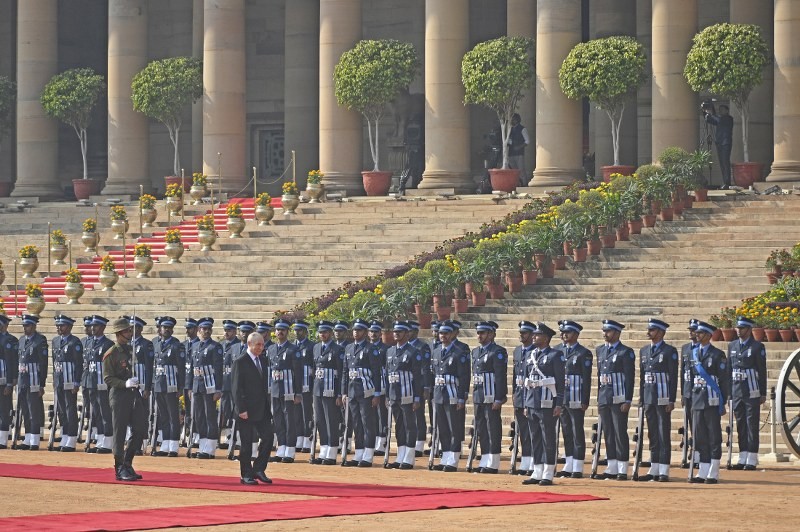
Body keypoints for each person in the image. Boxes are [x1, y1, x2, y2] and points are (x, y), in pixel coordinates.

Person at [102, 318, 147, 481]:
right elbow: (108, 378)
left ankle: (128, 463)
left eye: (130, 330)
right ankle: (119, 467)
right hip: (119, 396)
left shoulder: (131, 350)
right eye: (127, 331)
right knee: (119, 432)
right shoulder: (111, 353)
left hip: (133, 395)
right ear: (120, 333)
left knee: (140, 428)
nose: (130, 333)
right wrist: (125, 383)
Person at [522, 322, 565, 486]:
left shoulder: (555, 355)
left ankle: (548, 472)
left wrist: (559, 403)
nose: (533, 337)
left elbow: (560, 382)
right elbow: (527, 381)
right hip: (532, 401)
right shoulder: (530, 355)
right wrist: (526, 403)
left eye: (537, 335)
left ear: (546, 338)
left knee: (548, 438)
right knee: (535, 438)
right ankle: (537, 470)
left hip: (548, 402)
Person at [637, 319, 679, 482]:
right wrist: (641, 398)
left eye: (652, 330)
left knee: (663, 434)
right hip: (648, 397)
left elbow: (673, 377)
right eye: (649, 330)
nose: (649, 333)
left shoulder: (669, 351)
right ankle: (654, 468)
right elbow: (642, 376)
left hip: (662, 397)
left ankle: (663, 470)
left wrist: (671, 399)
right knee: (652, 434)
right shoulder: (644, 350)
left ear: (661, 333)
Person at [688, 321, 729, 484]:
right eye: (696, 333)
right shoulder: (693, 353)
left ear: (708, 336)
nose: (696, 335)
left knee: (714, 436)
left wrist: (723, 401)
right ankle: (703, 470)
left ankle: (714, 470)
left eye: (700, 333)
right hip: (697, 400)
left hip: (712, 400)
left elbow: (723, 380)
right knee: (700, 436)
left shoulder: (717, 355)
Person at [595, 319, 635, 480]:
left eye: (608, 331)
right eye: (604, 331)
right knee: (608, 433)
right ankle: (611, 466)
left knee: (619, 432)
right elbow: (599, 375)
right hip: (604, 397)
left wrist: (628, 399)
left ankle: (622, 467)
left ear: (617, 333)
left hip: (619, 398)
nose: (605, 334)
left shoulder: (626, 352)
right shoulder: (600, 350)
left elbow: (629, 377)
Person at [232, 331, 274, 485]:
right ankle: (246, 474)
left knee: (268, 437)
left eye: (263, 344)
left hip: (262, 409)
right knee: (247, 444)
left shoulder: (262, 360)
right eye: (258, 344)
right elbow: (236, 389)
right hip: (246, 410)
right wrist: (241, 409)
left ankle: (258, 468)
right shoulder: (240, 362)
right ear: (249, 344)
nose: (261, 347)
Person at [727, 316, 767, 470]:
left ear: (749, 329)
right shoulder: (732, 345)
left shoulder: (757, 347)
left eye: (742, 328)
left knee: (751, 424)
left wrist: (762, 392)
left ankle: (752, 456)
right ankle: (742, 455)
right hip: (737, 390)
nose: (739, 330)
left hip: (752, 390)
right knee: (740, 424)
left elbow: (761, 371)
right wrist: (729, 394)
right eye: (738, 328)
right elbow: (729, 371)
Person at [342, 319, 382, 468]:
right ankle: (359, 453)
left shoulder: (371, 349)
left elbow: (376, 373)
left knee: (367, 423)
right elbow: (345, 372)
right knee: (356, 423)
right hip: (352, 391)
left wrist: (377, 393)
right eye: (354, 330)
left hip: (366, 391)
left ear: (365, 332)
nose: (355, 332)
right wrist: (344, 392)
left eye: (359, 330)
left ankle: (368, 455)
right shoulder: (349, 348)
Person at [430, 320, 470, 472]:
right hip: (439, 393)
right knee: (443, 428)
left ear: (453, 334)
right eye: (441, 333)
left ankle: (453, 459)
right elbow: (433, 372)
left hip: (453, 393)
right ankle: (445, 457)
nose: (443, 336)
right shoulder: (436, 351)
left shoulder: (459, 352)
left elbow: (464, 377)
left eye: (446, 333)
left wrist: (462, 397)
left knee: (454, 427)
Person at [556, 320, 593, 479]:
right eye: (563, 332)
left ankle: (577, 466)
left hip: (576, 397)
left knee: (577, 431)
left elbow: (587, 377)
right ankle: (568, 463)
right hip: (562, 397)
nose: (564, 335)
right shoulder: (557, 350)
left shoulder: (583, 353)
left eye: (568, 332)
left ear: (576, 334)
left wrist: (585, 399)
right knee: (566, 432)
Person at [470, 320, 508, 474]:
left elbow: (500, 376)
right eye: (478, 333)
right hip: (479, 394)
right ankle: (485, 457)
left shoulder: (497, 351)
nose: (480, 336)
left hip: (491, 394)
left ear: (492, 334)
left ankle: (493, 460)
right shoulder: (475, 352)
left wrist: (499, 397)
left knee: (493, 428)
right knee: (481, 428)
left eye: (483, 333)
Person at [385, 320, 423, 470]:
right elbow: (387, 375)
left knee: (409, 426)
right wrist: (388, 395)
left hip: (408, 394)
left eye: (399, 332)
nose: (396, 334)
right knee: (399, 426)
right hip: (394, 394)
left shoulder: (414, 352)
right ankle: (400, 455)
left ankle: (409, 457)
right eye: (395, 331)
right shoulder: (390, 351)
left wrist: (417, 397)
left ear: (407, 334)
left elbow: (418, 377)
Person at [267, 318, 302, 463]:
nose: (280, 332)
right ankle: (281, 448)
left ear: (287, 332)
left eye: (282, 330)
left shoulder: (293, 349)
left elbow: (298, 373)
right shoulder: (271, 349)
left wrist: (298, 392)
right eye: (277, 329)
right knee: (278, 420)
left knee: (289, 420)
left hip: (289, 390)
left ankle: (290, 450)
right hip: (275, 389)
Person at [311, 320, 345, 465]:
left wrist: (339, 394)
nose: (322, 334)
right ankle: (323, 450)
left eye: (325, 332)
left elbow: (342, 373)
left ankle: (331, 452)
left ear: (330, 333)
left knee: (331, 420)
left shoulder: (337, 349)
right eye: (320, 332)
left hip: (331, 389)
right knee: (320, 421)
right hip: (318, 389)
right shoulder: (316, 347)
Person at [189, 317, 223, 459]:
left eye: (209, 329)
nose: (206, 331)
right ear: (199, 330)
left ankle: (210, 449)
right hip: (197, 386)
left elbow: (218, 369)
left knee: (210, 417)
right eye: (204, 329)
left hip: (210, 386)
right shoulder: (195, 346)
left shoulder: (215, 347)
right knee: (199, 417)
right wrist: (190, 387)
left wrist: (218, 389)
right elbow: (191, 368)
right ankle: (203, 447)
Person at [151, 316, 185, 457]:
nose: (167, 330)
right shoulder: (156, 343)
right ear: (161, 329)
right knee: (163, 416)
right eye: (165, 327)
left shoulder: (177, 345)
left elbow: (181, 368)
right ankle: (165, 445)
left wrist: (180, 387)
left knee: (172, 416)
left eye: (169, 328)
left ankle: (173, 446)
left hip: (172, 384)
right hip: (159, 384)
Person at [51, 315, 83, 452]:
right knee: (62, 411)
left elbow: (78, 363)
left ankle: (71, 438)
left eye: (62, 325)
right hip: (59, 379)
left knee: (70, 410)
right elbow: (54, 362)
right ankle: (64, 436)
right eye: (58, 325)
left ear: (69, 327)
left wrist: (76, 382)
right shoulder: (55, 341)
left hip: (70, 381)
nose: (59, 328)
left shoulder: (74, 342)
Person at [17, 314, 48, 450]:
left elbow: (43, 363)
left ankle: (34, 439)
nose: (25, 328)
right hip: (22, 379)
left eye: (28, 326)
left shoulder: (40, 340)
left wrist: (42, 383)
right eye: (24, 326)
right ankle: (28, 437)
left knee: (33, 410)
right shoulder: (21, 340)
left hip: (34, 380)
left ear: (34, 326)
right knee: (25, 409)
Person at [84, 315, 114, 454]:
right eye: (92, 326)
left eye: (96, 326)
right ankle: (100, 439)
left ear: (102, 327)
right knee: (96, 412)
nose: (93, 328)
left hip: (103, 383)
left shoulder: (108, 344)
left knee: (105, 412)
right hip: (91, 382)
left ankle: (108, 442)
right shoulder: (89, 343)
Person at [511, 321, 535, 476]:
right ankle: (525, 461)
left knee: (533, 432)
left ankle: (534, 462)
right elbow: (515, 376)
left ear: (532, 335)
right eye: (520, 332)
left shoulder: (535, 351)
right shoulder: (517, 351)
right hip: (520, 395)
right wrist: (513, 393)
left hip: (532, 395)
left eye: (524, 333)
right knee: (523, 433)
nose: (521, 335)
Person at [408, 320, 432, 456]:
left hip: (419, 384)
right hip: (407, 384)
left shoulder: (422, 347)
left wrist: (426, 387)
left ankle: (419, 442)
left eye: (410, 331)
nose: (407, 333)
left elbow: (425, 368)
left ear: (416, 332)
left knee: (419, 415)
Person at [368, 320, 390, 455]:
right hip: (368, 385)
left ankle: (382, 442)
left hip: (381, 385)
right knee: (371, 416)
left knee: (382, 415)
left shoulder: (385, 349)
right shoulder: (366, 347)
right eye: (371, 331)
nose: (373, 334)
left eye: (376, 332)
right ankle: (374, 439)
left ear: (380, 333)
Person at [293, 319, 315, 453]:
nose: (296, 333)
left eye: (299, 330)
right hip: (294, 385)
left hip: (307, 385)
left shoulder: (311, 346)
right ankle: (299, 438)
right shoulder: (291, 346)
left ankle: (308, 439)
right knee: (296, 414)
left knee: (307, 413)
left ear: (305, 332)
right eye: (295, 330)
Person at [219, 320, 241, 449]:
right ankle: (228, 436)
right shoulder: (221, 345)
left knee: (235, 411)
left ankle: (236, 436)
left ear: (234, 332)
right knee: (226, 410)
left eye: (229, 330)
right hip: (223, 383)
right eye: (225, 330)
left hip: (234, 384)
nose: (226, 333)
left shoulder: (238, 345)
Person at [704, 103, 733, 189]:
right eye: (719, 110)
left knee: (725, 163)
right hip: (720, 143)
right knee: (722, 163)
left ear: (727, 110)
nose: (720, 111)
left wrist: (711, 113)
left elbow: (718, 119)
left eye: (722, 109)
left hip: (725, 143)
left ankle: (727, 183)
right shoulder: (720, 118)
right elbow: (711, 120)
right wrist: (706, 113)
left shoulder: (728, 118)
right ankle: (725, 182)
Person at [0, 315, 19, 449]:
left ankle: (3, 438)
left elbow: (12, 362)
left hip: (4, 379)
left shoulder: (11, 340)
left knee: (5, 409)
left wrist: (10, 382)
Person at [508, 113, 530, 186]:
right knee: (513, 171)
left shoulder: (522, 129)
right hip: (511, 153)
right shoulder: (510, 129)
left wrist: (519, 147)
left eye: (513, 119)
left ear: (517, 120)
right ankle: (516, 184)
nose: (511, 121)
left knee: (521, 170)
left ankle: (524, 185)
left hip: (519, 154)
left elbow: (527, 141)